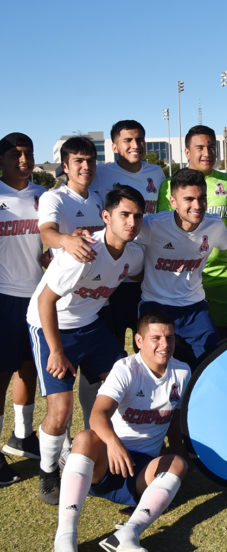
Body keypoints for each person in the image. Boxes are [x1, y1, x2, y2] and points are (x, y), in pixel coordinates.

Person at [27, 185, 145, 505]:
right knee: (61, 410)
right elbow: (45, 302)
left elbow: (135, 278)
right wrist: (55, 350)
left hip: (90, 326)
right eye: (124, 215)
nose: (131, 222)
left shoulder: (133, 255)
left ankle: (111, 449)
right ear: (106, 216)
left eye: (137, 216)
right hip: (51, 325)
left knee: (125, 385)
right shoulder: (84, 251)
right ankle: (49, 469)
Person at [53, 310, 190, 552]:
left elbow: (176, 418)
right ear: (139, 341)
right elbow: (98, 414)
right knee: (85, 438)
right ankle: (65, 538)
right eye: (156, 338)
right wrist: (114, 444)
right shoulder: (126, 369)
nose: (165, 344)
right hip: (107, 463)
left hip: (142, 473)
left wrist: (177, 461)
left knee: (178, 464)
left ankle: (127, 535)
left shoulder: (182, 372)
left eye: (169, 337)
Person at [38, 137, 106, 439]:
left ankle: (93, 437)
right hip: (60, 305)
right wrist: (67, 240)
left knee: (100, 382)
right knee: (61, 401)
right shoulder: (55, 198)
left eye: (90, 160)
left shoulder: (100, 198)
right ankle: (56, 452)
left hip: (94, 305)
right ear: (65, 166)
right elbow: (47, 233)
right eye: (78, 161)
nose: (85, 166)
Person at [157, 125, 227, 336]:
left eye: (211, 147)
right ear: (187, 152)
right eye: (200, 147)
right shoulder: (169, 186)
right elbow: (162, 231)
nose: (207, 153)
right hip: (181, 282)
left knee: (222, 342)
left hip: (221, 279)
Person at [137, 169, 227, 368]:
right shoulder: (152, 225)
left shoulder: (214, 226)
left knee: (208, 365)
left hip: (194, 307)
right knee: (156, 369)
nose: (197, 206)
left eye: (202, 198)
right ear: (173, 202)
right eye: (189, 199)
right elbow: (119, 236)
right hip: (156, 305)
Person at [92, 120, 165, 348]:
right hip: (111, 275)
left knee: (146, 343)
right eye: (128, 140)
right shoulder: (100, 173)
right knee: (112, 344)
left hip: (147, 274)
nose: (135, 145)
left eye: (139, 139)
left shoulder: (156, 173)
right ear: (114, 146)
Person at [0, 133, 46, 485]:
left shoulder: (42, 197)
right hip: (2, 298)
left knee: (29, 368)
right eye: (16, 154)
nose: (23, 159)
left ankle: (22, 435)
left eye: (28, 153)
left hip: (36, 297)